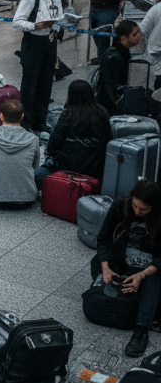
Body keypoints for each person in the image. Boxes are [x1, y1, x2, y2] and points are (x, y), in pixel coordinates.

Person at [92, 181, 161, 358]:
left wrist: (143, 274)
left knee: (154, 281)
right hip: (122, 257)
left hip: (149, 265)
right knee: (98, 263)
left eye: (144, 209)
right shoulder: (121, 205)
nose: (137, 211)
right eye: (135, 205)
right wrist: (105, 267)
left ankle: (141, 330)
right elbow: (103, 239)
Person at [12, 0, 65, 133]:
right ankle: (26, 122)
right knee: (30, 85)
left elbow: (59, 15)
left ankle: (40, 122)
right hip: (33, 42)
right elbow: (17, 21)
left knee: (46, 84)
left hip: (50, 43)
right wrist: (36, 26)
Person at [34, 79, 112, 190]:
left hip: (67, 166)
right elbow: (109, 140)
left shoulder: (68, 114)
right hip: (95, 169)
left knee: (39, 173)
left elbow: (53, 143)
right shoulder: (102, 112)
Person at [98, 19, 141, 115]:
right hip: (110, 107)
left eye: (139, 32)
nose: (139, 36)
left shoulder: (122, 53)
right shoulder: (115, 58)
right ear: (123, 38)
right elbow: (111, 88)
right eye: (135, 34)